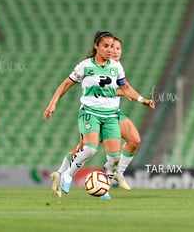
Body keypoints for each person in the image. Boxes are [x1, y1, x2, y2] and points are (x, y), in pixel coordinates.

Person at [43, 31, 154, 195]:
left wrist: (140, 99)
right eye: (108, 46)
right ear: (96, 46)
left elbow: (125, 87)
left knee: (124, 147)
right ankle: (63, 174)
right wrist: (52, 103)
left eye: (116, 48)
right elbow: (68, 84)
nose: (112, 50)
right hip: (91, 112)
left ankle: (108, 181)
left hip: (112, 113)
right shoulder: (86, 66)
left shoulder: (116, 67)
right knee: (87, 148)